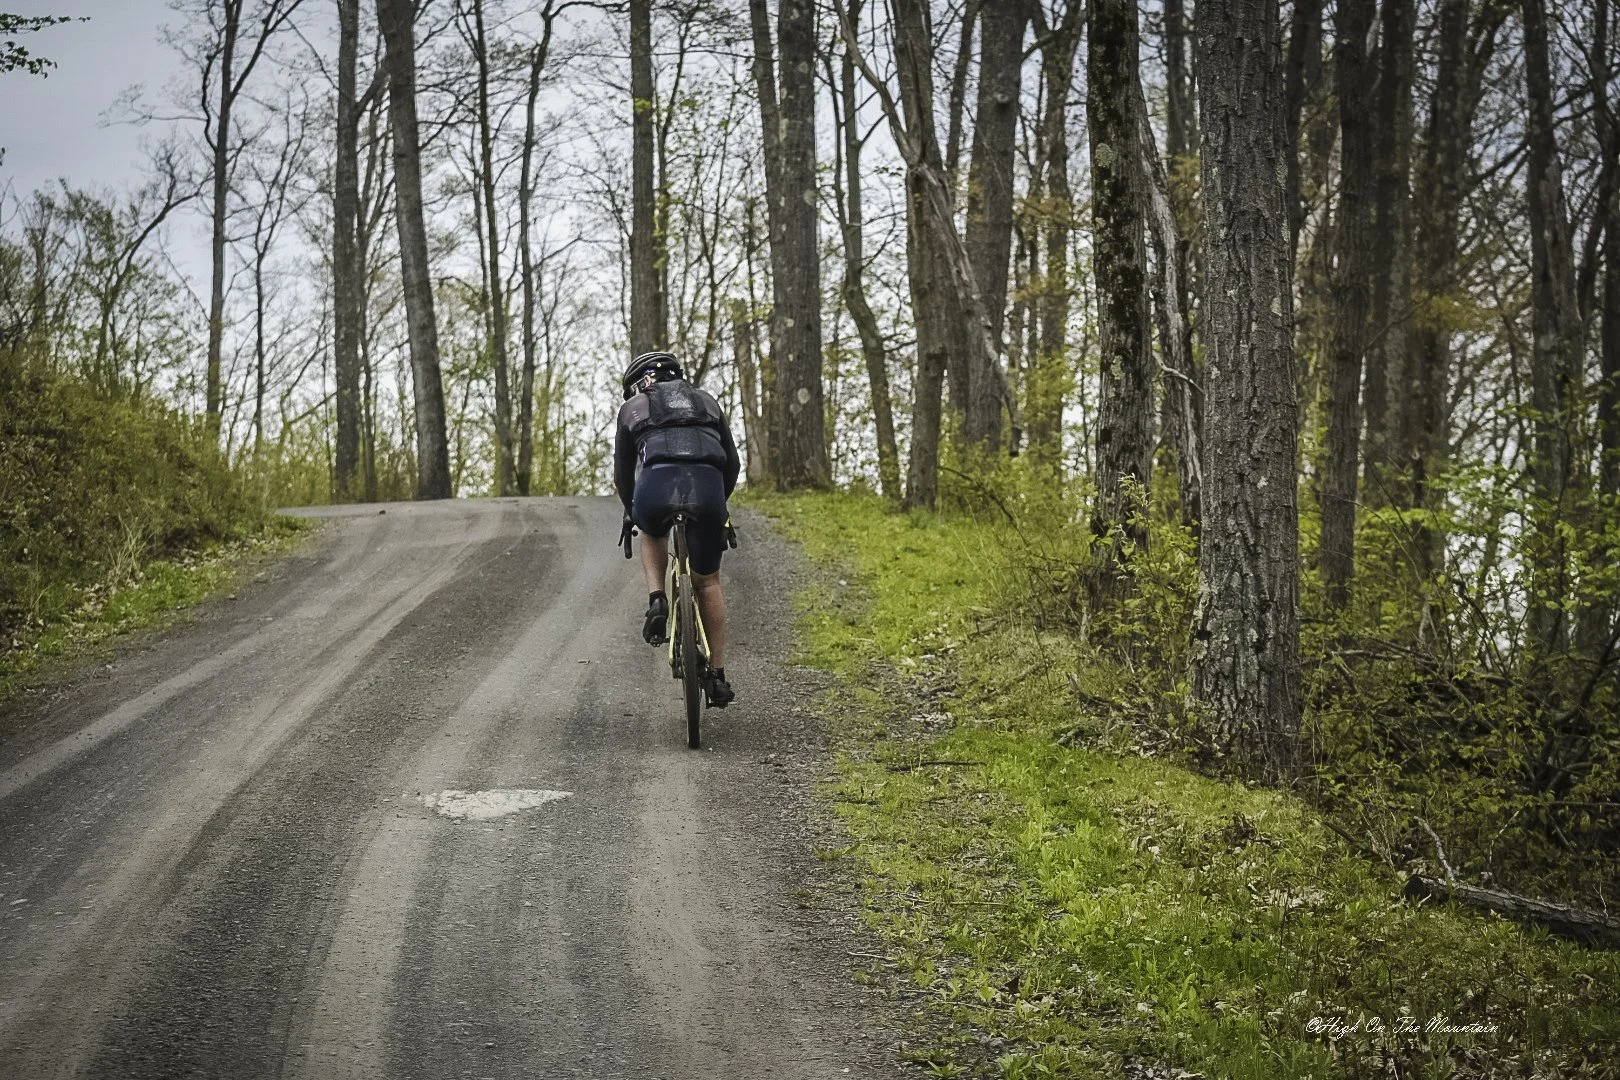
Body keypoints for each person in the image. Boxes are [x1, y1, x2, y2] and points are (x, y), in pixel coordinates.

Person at [613, 351, 741, 707]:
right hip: (708, 488)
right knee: (709, 580)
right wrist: (720, 505)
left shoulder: (633, 408)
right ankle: (717, 674)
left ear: (639, 383)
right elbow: (732, 463)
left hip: (655, 486)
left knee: (651, 529)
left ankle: (657, 600)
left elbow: (623, 473)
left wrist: (631, 510)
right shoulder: (708, 402)